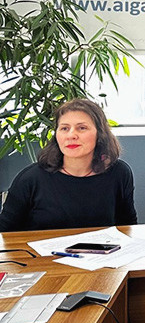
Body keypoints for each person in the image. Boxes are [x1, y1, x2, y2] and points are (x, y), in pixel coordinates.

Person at [0, 98, 137, 233]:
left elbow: (127, 227)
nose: (71, 135)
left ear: (100, 134)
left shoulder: (119, 173)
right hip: (41, 248)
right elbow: (4, 233)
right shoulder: (30, 179)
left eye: (82, 128)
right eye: (64, 128)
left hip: (102, 248)